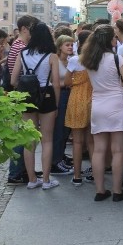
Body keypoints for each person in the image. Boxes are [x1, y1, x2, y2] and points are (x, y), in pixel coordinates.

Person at [81, 24, 123, 202]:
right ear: (108, 39)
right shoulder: (116, 59)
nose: (115, 39)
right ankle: (117, 190)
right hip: (117, 104)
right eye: (113, 37)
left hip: (98, 104)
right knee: (118, 150)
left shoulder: (89, 60)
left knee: (99, 150)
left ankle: (100, 190)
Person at [11, 23, 61, 190]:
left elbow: (13, 80)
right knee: (47, 140)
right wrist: (57, 104)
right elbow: (56, 83)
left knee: (29, 140)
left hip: (27, 97)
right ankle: (46, 180)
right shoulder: (51, 56)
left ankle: (32, 179)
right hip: (46, 96)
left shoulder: (22, 53)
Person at [6, 15, 40, 184]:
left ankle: (23, 170)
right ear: (25, 29)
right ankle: (16, 172)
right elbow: (15, 78)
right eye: (32, 28)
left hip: (20, 93)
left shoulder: (19, 46)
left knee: (24, 134)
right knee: (23, 135)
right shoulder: (21, 47)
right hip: (21, 94)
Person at [65, 31, 93, 186]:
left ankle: (77, 176)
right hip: (93, 99)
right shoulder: (96, 59)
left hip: (76, 99)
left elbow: (67, 81)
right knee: (92, 141)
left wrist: (76, 81)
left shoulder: (75, 60)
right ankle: (95, 173)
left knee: (77, 142)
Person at [51, 34, 76, 175]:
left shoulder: (71, 60)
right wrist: (67, 83)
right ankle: (55, 161)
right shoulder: (55, 60)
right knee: (59, 129)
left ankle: (60, 157)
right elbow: (51, 81)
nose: (70, 47)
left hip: (69, 94)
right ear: (60, 46)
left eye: (72, 45)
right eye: (67, 45)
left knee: (66, 128)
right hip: (59, 95)